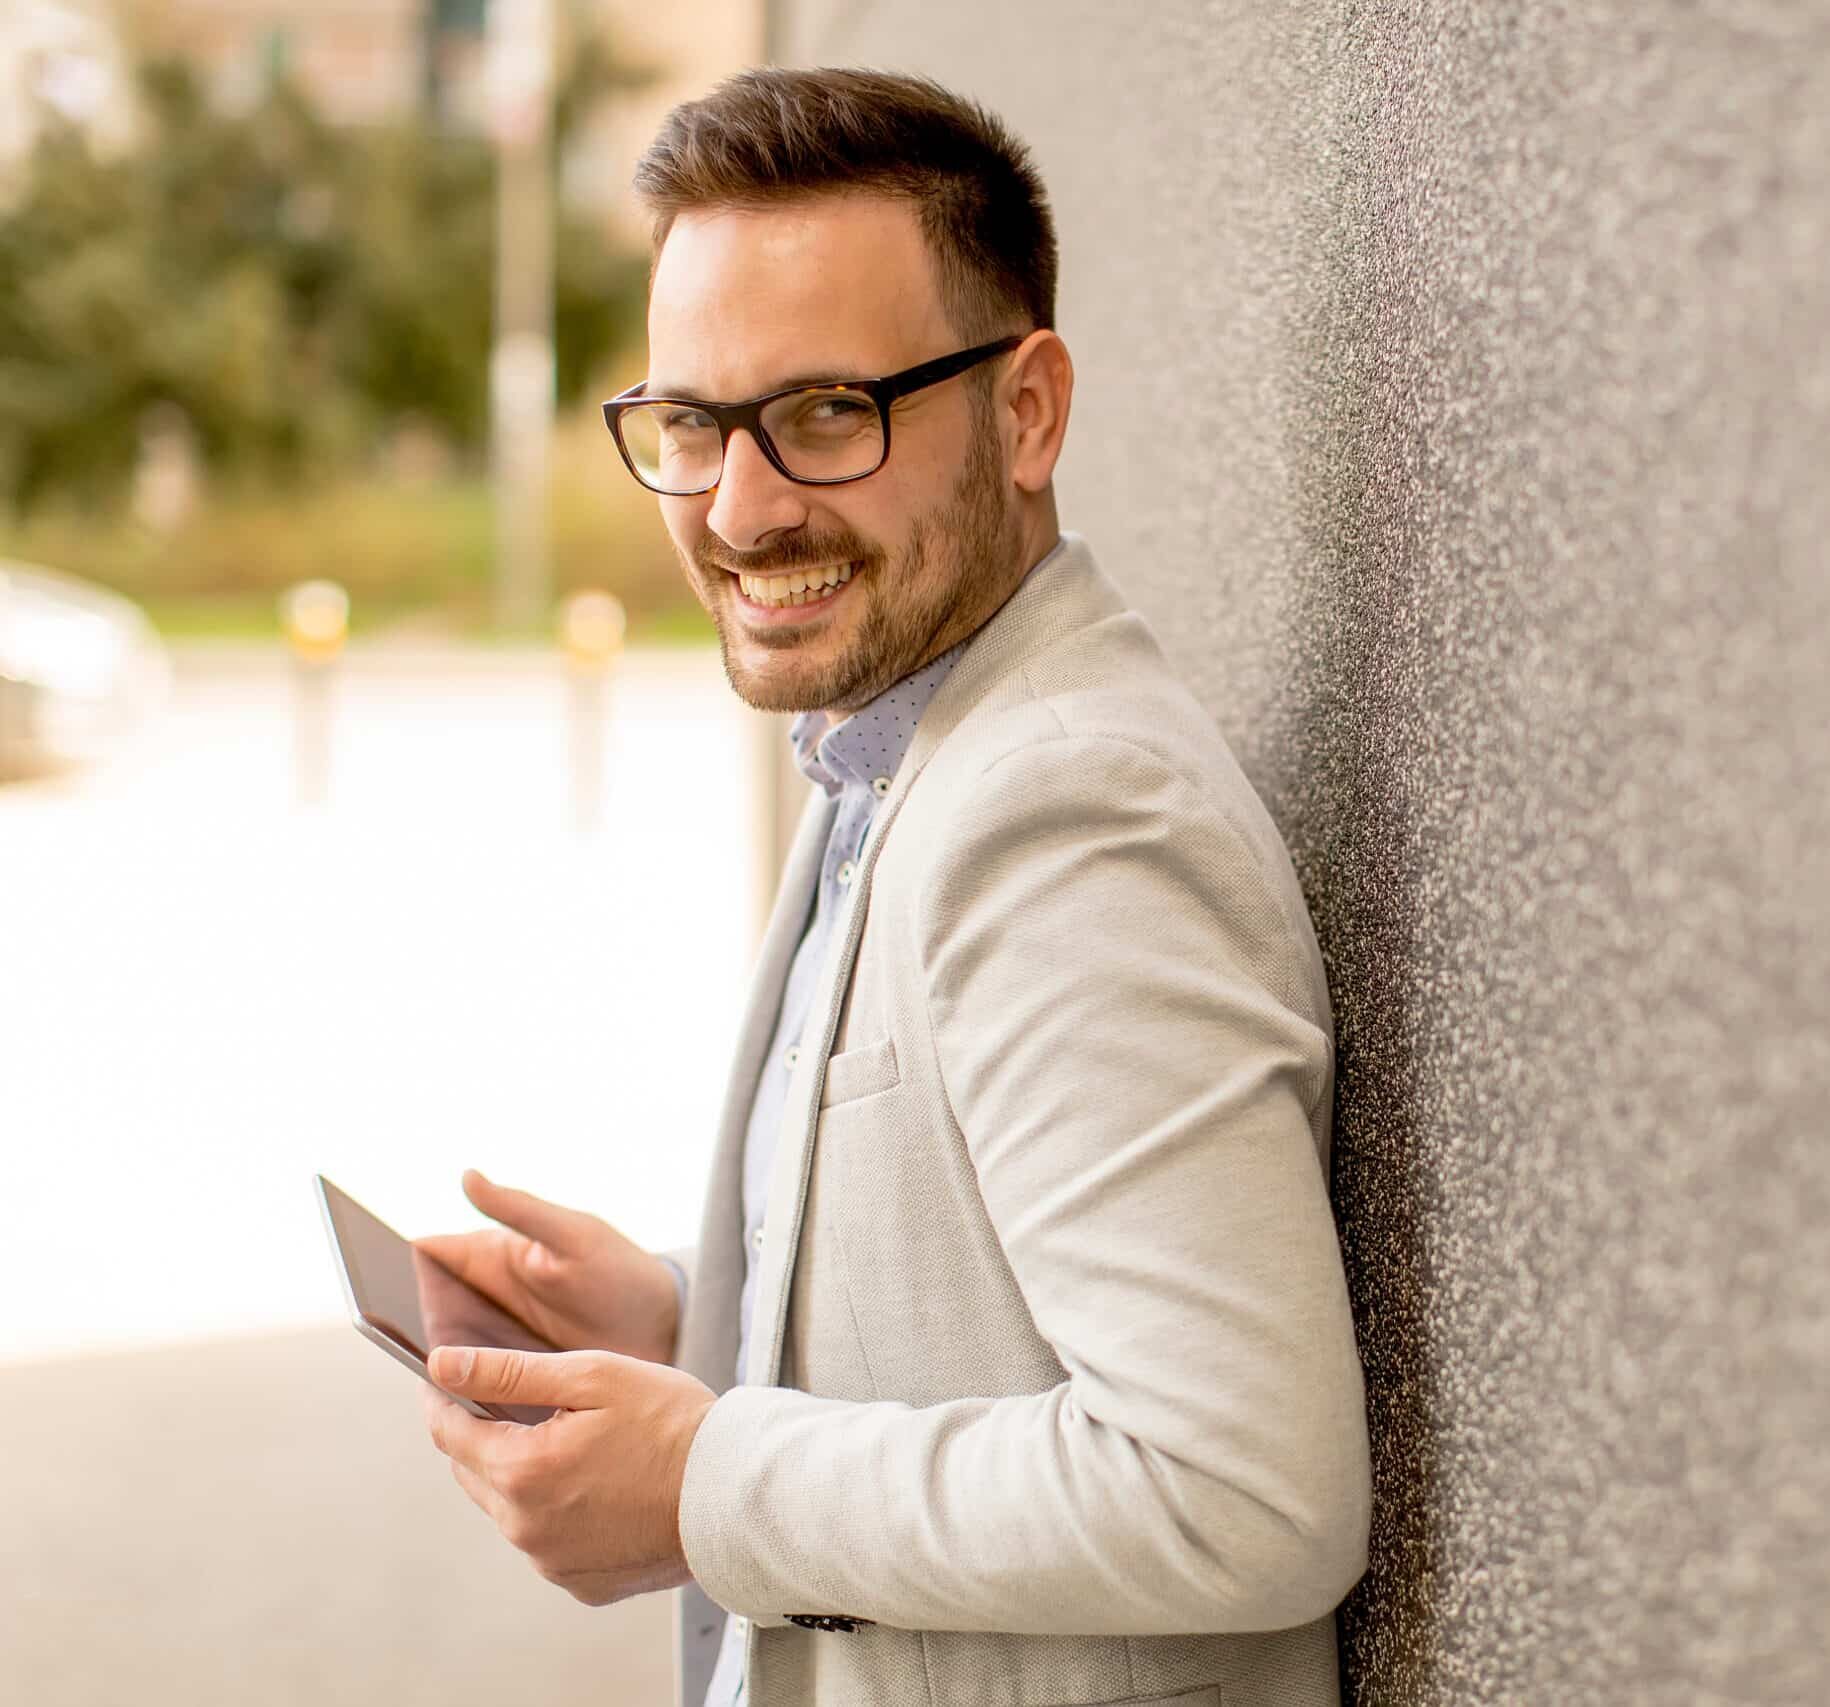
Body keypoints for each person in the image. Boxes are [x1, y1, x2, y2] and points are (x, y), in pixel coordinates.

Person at [415, 67, 1372, 1707]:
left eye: (822, 416)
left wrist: (704, 1480)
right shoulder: (894, 741)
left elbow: (1242, 1493)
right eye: (692, 425)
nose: (738, 507)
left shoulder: (1063, 812)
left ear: (1027, 412)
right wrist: (688, 1325)